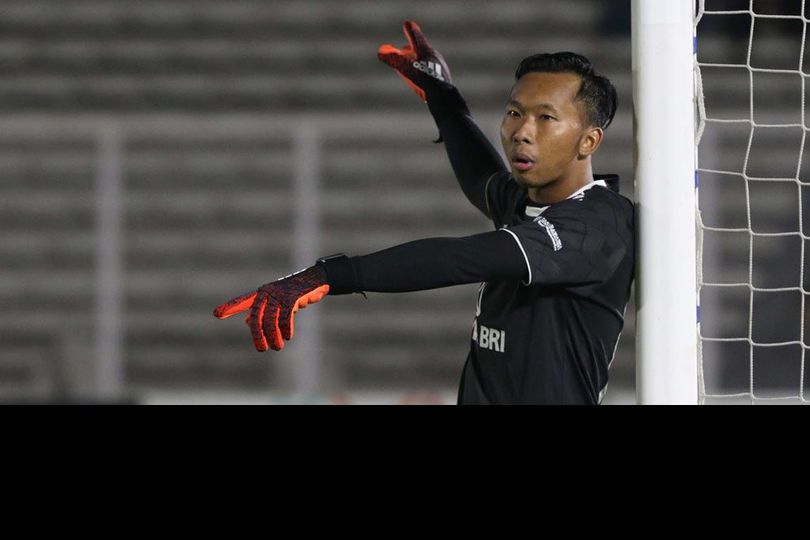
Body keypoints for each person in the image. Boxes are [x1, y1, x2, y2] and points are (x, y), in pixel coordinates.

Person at [213, 21, 634, 405]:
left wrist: (328, 275)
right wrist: (443, 97)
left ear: (588, 141)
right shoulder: (531, 202)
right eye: (514, 113)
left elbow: (462, 258)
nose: (522, 131)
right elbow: (481, 178)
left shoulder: (597, 226)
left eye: (546, 118)